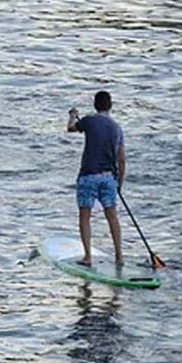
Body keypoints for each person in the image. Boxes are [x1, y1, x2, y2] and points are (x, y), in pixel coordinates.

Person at [67, 90, 125, 266]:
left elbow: (71, 128)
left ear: (95, 105)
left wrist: (73, 116)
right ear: (110, 105)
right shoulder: (116, 128)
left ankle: (87, 257)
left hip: (88, 175)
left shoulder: (89, 120)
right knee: (112, 216)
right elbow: (121, 159)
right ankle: (119, 256)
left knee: (85, 215)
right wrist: (119, 183)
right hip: (109, 178)